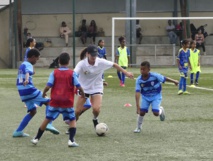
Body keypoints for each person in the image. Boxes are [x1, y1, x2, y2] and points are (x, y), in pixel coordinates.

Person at [31, 52, 85, 147]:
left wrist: (44, 93)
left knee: (47, 119)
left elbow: (48, 85)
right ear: (69, 62)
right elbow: (78, 86)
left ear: (59, 61)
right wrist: (83, 94)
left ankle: (36, 138)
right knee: (72, 120)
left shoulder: (54, 72)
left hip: (55, 101)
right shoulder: (72, 73)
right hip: (67, 101)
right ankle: (71, 141)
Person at [74, 45, 134, 128]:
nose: (94, 57)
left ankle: (95, 119)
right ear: (87, 54)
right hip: (84, 89)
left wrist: (126, 73)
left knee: (96, 109)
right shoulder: (81, 64)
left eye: (95, 55)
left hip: (97, 87)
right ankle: (72, 125)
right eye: (92, 55)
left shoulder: (101, 62)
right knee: (77, 112)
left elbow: (115, 65)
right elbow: (74, 74)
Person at [13, 49, 59, 137]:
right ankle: (49, 124)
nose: (36, 61)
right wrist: (27, 79)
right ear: (33, 57)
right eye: (36, 59)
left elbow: (26, 72)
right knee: (49, 102)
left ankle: (18, 131)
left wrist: (31, 74)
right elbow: (27, 72)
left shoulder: (22, 64)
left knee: (33, 111)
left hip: (22, 92)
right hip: (29, 90)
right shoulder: (29, 64)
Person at [133, 61, 179, 133]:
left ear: (149, 69)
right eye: (141, 69)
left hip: (156, 96)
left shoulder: (155, 76)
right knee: (141, 112)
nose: (142, 71)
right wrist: (137, 106)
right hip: (145, 97)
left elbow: (164, 78)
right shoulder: (139, 80)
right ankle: (138, 127)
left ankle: (161, 110)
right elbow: (137, 92)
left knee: (156, 113)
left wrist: (174, 81)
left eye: (144, 69)